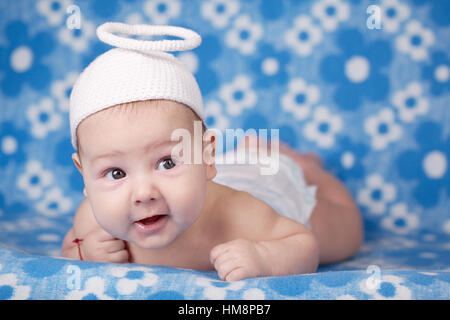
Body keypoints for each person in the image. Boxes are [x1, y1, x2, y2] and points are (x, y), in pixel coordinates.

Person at [61, 23, 363, 281]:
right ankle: (252, 152)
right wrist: (82, 252)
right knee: (246, 161)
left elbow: (303, 244)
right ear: (84, 176)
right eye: (116, 173)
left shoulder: (238, 214)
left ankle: (303, 166)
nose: (143, 193)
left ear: (207, 159)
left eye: (167, 162)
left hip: (272, 190)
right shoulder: (92, 221)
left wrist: (264, 257)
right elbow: (70, 246)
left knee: (346, 236)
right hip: (222, 172)